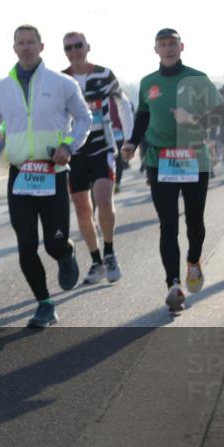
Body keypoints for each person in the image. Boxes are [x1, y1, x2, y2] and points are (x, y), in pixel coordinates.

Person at [0, 25, 91, 328]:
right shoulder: (1, 89)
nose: (26, 47)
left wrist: (69, 145)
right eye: (20, 43)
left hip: (53, 171)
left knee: (53, 243)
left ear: (41, 46)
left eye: (31, 42)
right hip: (20, 175)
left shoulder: (62, 83)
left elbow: (84, 118)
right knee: (26, 244)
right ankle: (44, 304)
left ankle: (65, 251)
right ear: (14, 47)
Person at [122, 29, 224, 313]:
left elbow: (221, 115)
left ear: (182, 47)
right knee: (168, 225)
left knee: (194, 222)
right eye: (162, 45)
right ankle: (173, 285)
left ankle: (193, 261)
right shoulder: (148, 83)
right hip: (160, 161)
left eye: (172, 44)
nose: (168, 49)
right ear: (155, 49)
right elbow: (143, 115)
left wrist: (193, 118)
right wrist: (131, 142)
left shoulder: (197, 79)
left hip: (194, 159)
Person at [60, 32, 132, 285]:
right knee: (82, 210)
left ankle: (110, 253)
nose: (74, 50)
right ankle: (96, 261)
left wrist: (129, 140)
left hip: (102, 147)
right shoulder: (61, 79)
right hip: (74, 151)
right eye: (68, 47)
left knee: (103, 201)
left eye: (78, 45)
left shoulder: (103, 74)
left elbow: (123, 104)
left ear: (87, 47)